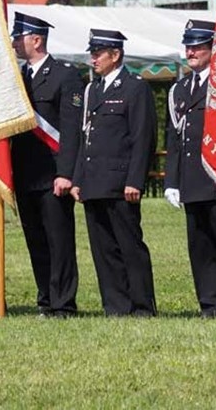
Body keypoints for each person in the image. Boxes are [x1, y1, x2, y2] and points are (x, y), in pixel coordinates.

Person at [164, 19, 216, 317]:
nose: (191, 52)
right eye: (188, 46)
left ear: (213, 48)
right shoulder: (180, 89)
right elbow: (174, 138)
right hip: (191, 178)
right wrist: (171, 181)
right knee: (200, 246)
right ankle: (209, 302)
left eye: (198, 46)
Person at [70, 29, 157, 316]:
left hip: (120, 181)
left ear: (115, 55)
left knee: (129, 245)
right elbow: (86, 137)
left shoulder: (134, 87)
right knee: (103, 248)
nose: (92, 58)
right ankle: (116, 305)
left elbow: (142, 138)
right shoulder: (92, 89)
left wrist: (135, 180)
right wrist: (78, 178)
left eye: (98, 53)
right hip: (94, 180)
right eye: (92, 52)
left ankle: (142, 305)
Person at [11, 12, 83, 318]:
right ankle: (45, 299)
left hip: (53, 173)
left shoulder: (64, 75)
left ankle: (63, 302)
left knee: (59, 242)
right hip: (26, 173)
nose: (13, 42)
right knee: (36, 241)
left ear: (36, 39)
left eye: (19, 37)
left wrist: (66, 173)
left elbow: (71, 129)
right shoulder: (17, 78)